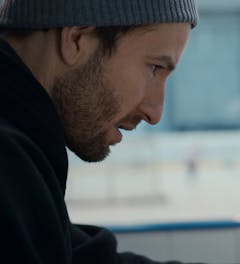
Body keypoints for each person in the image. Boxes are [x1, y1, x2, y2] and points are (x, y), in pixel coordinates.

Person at [0, 0, 201, 263]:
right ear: (77, 39)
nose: (155, 112)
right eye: (154, 67)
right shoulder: (8, 165)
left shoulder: (23, 156)